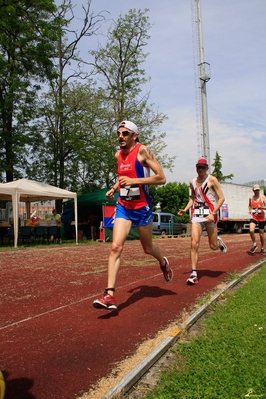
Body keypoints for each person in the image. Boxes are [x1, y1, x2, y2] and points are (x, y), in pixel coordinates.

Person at [93, 120, 173, 310]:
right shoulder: (118, 155)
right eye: (118, 133)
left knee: (147, 248)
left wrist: (134, 180)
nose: (120, 136)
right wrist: (114, 188)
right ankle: (109, 294)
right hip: (124, 206)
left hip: (142, 207)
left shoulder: (143, 152)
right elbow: (123, 177)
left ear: (134, 136)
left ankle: (163, 262)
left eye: (125, 133)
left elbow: (161, 178)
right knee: (115, 246)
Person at [178, 158, 227, 285]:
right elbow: (193, 199)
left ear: (206, 168)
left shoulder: (212, 180)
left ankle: (218, 241)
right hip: (197, 215)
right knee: (194, 243)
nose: (200, 169)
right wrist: (185, 209)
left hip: (210, 215)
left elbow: (221, 198)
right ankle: (194, 273)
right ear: (196, 168)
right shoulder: (192, 182)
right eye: (198, 167)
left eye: (203, 167)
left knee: (213, 246)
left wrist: (213, 213)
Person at [248, 184, 266, 255]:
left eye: (258, 190)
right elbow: (249, 206)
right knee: (251, 230)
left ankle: (262, 247)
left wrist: (261, 207)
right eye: (255, 190)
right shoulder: (251, 198)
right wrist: (249, 210)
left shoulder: (263, 198)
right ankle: (254, 244)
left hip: (261, 217)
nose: (257, 192)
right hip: (254, 217)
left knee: (261, 234)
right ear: (253, 191)